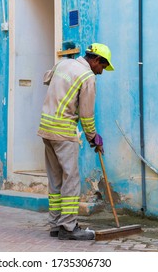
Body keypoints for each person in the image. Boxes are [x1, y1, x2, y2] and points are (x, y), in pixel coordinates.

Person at [37, 43, 114, 240]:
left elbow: (46, 78)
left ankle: (55, 225)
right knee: (71, 181)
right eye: (102, 67)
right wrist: (93, 138)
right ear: (96, 60)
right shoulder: (87, 77)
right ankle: (68, 227)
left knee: (55, 180)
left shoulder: (63, 64)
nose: (101, 72)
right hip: (64, 132)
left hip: (46, 129)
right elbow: (87, 115)